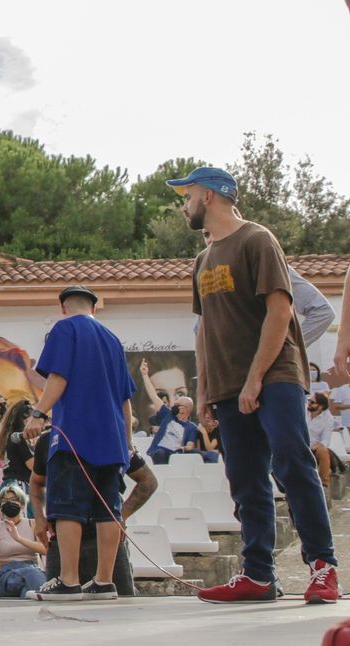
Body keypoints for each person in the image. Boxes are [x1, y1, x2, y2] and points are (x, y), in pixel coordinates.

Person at [173, 166, 339, 603]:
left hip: (276, 376)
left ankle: (323, 567)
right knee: (246, 481)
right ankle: (260, 575)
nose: (183, 204)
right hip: (228, 387)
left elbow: (280, 312)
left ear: (208, 196)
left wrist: (254, 379)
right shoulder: (202, 260)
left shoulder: (258, 239)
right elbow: (205, 330)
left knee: (292, 463)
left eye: (186, 195)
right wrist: (204, 390)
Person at [21, 284, 134, 602]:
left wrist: (39, 413)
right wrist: (126, 441)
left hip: (75, 434)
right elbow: (126, 398)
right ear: (94, 309)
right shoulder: (113, 340)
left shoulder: (64, 328)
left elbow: (59, 376)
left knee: (67, 507)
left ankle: (69, 581)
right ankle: (103, 581)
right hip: (112, 439)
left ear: (63, 308)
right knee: (109, 510)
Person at [32, 429, 158, 597]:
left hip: (104, 541)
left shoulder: (109, 436)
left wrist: (123, 515)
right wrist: (39, 517)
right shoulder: (48, 439)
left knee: (119, 605)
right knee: (60, 606)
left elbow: (148, 481)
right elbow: (35, 482)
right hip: (61, 541)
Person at [0, 485, 47, 598]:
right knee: (33, 578)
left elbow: (45, 550)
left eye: (13, 500)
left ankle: (28, 601)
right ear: (0, 506)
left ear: (22, 505)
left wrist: (18, 538)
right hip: (6, 574)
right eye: (5, 501)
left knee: (27, 585)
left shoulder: (33, 524)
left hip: (31, 568)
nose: (9, 503)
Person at [0, 400, 36, 491]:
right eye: (34, 417)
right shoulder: (19, 437)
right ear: (25, 417)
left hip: (10, 484)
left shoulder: (11, 435)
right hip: (19, 485)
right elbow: (32, 465)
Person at [308, 393, 339, 488]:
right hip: (299, 443)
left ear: (320, 406)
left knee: (323, 451)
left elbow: (325, 440)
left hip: (314, 447)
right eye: (309, 401)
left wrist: (314, 447)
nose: (308, 403)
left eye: (312, 402)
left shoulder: (328, 418)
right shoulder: (302, 411)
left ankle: (324, 483)